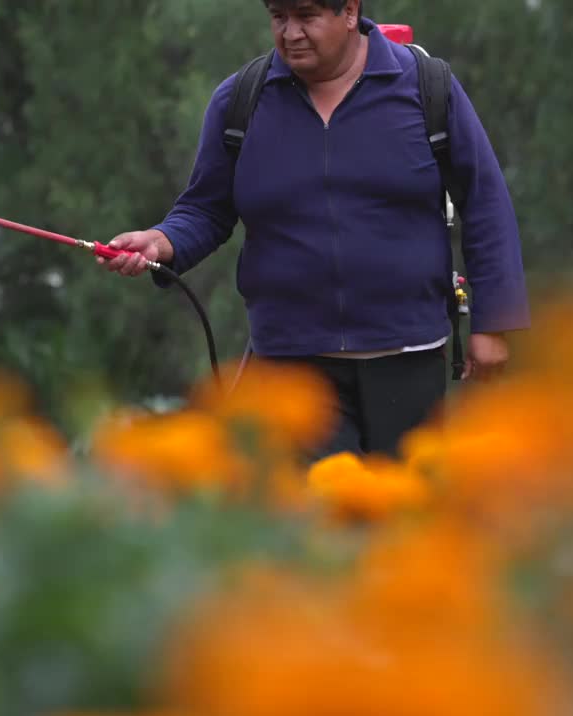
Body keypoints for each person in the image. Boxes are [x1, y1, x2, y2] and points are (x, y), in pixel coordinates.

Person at [99, 0, 531, 460]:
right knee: (314, 520)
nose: (290, 32)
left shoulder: (430, 89)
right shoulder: (240, 101)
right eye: (278, 17)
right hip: (292, 373)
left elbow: (485, 205)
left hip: (409, 356)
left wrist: (493, 324)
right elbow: (206, 209)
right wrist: (161, 242)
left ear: (349, 11)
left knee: (402, 514)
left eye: (306, 16)